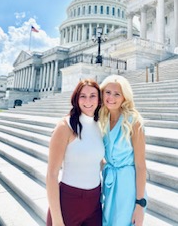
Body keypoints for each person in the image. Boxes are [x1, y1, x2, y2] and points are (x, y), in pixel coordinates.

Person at [46, 79, 104, 226]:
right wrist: (57, 220)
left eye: (93, 95)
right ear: (76, 99)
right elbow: (51, 175)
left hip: (94, 202)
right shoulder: (65, 126)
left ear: (99, 99)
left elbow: (94, 159)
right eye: (83, 96)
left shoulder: (99, 125)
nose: (88, 100)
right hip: (69, 202)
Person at [99, 75, 147, 226]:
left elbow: (140, 165)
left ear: (124, 97)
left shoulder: (134, 121)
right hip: (109, 184)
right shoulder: (102, 119)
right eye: (108, 92)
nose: (111, 97)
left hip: (128, 186)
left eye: (117, 94)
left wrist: (140, 204)